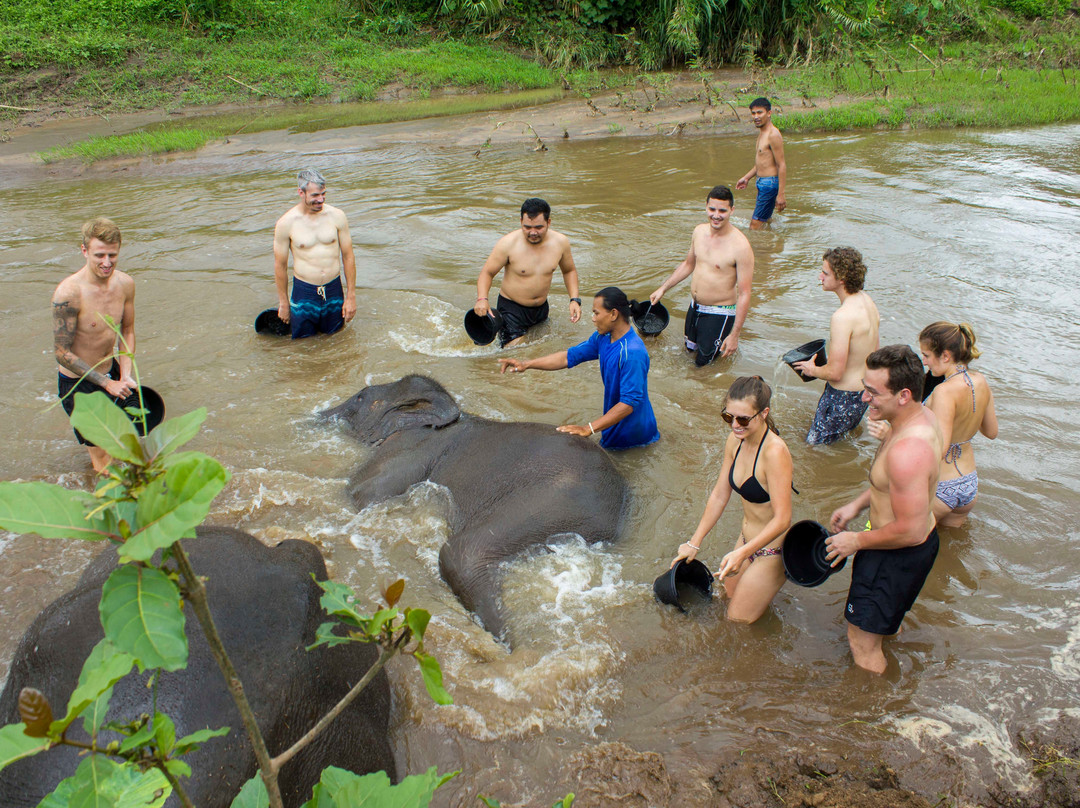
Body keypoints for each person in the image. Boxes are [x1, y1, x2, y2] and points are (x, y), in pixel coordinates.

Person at [826, 345, 943, 675]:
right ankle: (889, 645)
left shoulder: (909, 450)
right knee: (883, 624)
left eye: (873, 392)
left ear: (904, 394)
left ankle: (871, 712)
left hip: (895, 552)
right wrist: (857, 504)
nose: (864, 398)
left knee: (861, 641)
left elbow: (910, 530)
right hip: (912, 548)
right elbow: (895, 487)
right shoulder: (921, 418)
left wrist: (856, 542)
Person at [671, 377, 794, 623]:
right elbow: (719, 495)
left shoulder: (775, 452)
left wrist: (742, 554)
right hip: (746, 541)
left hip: (771, 550)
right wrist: (694, 543)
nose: (735, 425)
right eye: (728, 417)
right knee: (726, 601)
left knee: (736, 623)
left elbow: (783, 519)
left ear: (764, 413)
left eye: (743, 419)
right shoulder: (735, 441)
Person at [498, 287, 659, 450]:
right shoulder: (603, 338)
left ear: (613, 314)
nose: (593, 319)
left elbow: (629, 403)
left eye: (596, 313)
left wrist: (588, 428)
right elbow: (569, 356)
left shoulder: (632, 353)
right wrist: (527, 364)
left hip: (635, 439)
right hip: (613, 428)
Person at [52, 217, 137, 473]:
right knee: (104, 459)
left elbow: (128, 331)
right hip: (79, 385)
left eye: (113, 255)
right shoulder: (68, 294)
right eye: (99, 255)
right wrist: (106, 384)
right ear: (84, 251)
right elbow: (61, 353)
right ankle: (114, 509)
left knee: (124, 445)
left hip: (112, 374)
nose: (107, 262)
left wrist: (125, 376)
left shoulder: (125, 285)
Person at [649, 185, 754, 366]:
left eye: (722, 210)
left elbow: (745, 293)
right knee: (688, 355)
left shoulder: (741, 246)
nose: (716, 215)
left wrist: (735, 335)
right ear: (706, 207)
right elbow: (688, 264)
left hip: (719, 315)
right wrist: (663, 289)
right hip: (695, 308)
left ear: (732, 210)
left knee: (704, 368)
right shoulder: (699, 231)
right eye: (712, 209)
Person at [793, 247, 880, 445]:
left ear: (841, 278)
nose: (820, 277)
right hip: (862, 394)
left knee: (814, 449)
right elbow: (875, 353)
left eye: (825, 273)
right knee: (840, 444)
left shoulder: (842, 317)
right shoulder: (868, 302)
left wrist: (811, 369)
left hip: (840, 397)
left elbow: (835, 373)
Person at [919, 322, 998, 528]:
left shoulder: (944, 391)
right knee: (947, 546)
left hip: (942, 486)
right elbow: (991, 432)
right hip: (969, 484)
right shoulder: (980, 381)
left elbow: (941, 448)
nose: (924, 362)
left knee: (905, 541)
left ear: (945, 356)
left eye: (926, 355)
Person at [475, 198, 582, 348]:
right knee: (514, 352)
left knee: (539, 351)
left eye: (539, 227)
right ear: (521, 222)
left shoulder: (560, 243)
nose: (533, 232)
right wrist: (482, 299)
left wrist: (574, 299)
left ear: (548, 222)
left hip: (541, 309)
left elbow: (569, 270)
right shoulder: (508, 244)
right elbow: (487, 273)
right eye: (527, 227)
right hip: (512, 310)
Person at [273, 169, 357, 339]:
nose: (321, 200)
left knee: (337, 340)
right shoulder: (286, 223)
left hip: (333, 289)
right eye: (315, 195)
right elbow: (280, 266)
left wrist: (351, 297)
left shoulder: (337, 216)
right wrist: (283, 303)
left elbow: (348, 256)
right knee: (303, 345)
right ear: (301, 193)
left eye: (323, 194)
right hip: (304, 293)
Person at [735, 97, 787, 230]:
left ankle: (759, 249)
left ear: (769, 113)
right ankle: (770, 245)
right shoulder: (762, 133)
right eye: (753, 113)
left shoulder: (773, 135)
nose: (756, 116)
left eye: (760, 113)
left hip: (769, 185)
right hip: (762, 182)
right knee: (765, 221)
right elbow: (760, 163)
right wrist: (747, 177)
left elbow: (781, 165)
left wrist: (781, 194)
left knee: (754, 226)